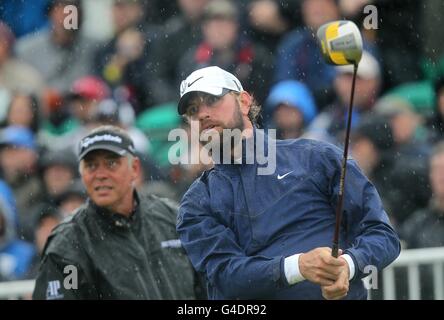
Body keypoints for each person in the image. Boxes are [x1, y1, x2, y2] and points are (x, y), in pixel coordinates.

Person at [176, 66, 401, 299]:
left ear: (243, 102)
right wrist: (299, 267)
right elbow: (227, 277)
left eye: (211, 100)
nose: (201, 114)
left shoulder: (318, 157)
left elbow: (383, 235)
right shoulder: (196, 204)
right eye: (192, 110)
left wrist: (349, 264)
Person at [33, 125, 201, 299]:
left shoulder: (172, 219)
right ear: (81, 173)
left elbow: (207, 289)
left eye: (111, 163)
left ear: (134, 168)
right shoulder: (68, 244)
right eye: (91, 165)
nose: (100, 174)